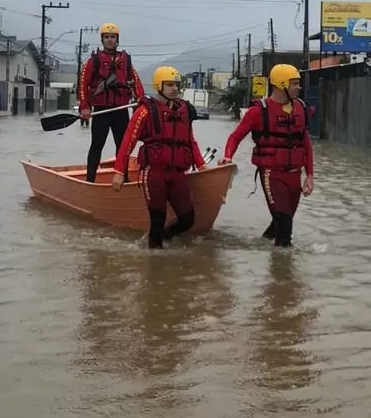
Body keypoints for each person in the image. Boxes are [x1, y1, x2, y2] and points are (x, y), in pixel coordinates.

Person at [219, 63, 314, 248]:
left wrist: (310, 175)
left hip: (294, 174)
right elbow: (235, 137)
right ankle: (283, 272)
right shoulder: (258, 111)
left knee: (280, 224)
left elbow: (306, 144)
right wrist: (227, 157)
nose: (298, 88)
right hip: (272, 173)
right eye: (294, 83)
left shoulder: (301, 108)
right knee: (285, 227)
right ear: (281, 84)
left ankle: (260, 247)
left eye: (298, 83)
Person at [112, 66, 207, 249]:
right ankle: (155, 263)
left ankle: (167, 237)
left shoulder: (183, 111)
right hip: (154, 173)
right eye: (169, 85)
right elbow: (128, 142)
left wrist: (201, 165)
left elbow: (190, 141)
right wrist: (118, 170)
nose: (174, 89)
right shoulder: (145, 111)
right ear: (158, 86)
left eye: (177, 85)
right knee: (157, 219)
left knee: (188, 219)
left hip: (177, 174)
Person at [78, 23, 144, 182]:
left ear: (117, 39)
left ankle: (124, 178)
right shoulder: (93, 61)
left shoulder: (126, 60)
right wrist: (85, 107)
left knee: (123, 147)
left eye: (112, 37)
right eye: (106, 37)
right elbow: (83, 84)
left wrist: (141, 100)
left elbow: (136, 82)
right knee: (96, 146)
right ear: (102, 39)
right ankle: (90, 180)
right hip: (101, 110)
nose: (109, 40)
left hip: (121, 110)